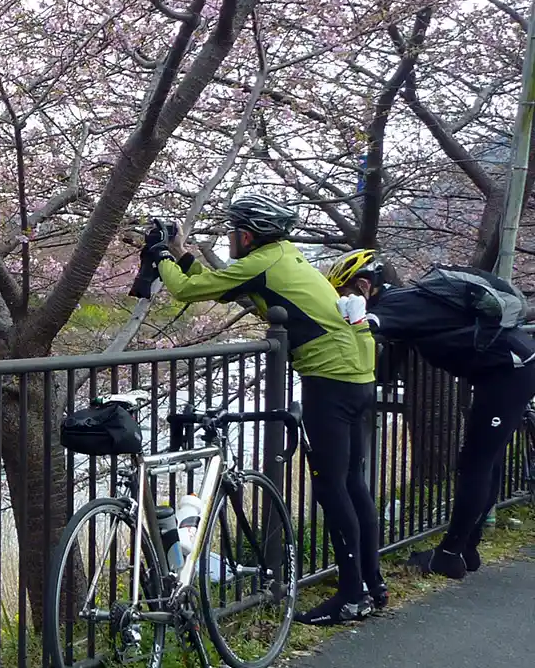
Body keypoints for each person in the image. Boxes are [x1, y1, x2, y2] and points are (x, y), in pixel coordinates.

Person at [148, 193, 381, 625]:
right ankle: (372, 584)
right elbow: (220, 286)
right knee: (353, 483)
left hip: (329, 378)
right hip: (358, 372)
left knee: (332, 489)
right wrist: (181, 253)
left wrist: (160, 256)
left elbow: (184, 290)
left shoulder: (261, 263)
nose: (230, 239)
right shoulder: (282, 256)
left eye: (233, 231)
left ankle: (352, 596)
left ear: (247, 235)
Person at [326, 249, 535, 579]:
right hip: (509, 367)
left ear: (365, 287)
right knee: (486, 460)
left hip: (508, 371)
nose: (342, 299)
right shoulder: (408, 301)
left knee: (476, 464)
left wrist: (343, 319)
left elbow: (359, 328)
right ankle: (466, 548)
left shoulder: (398, 305)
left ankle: (450, 555)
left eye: (345, 293)